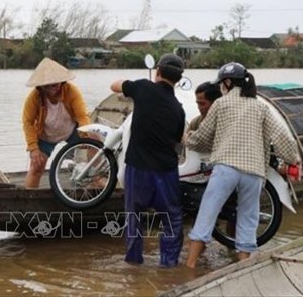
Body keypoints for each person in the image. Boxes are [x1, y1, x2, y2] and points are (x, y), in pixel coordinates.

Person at [185, 62, 300, 268]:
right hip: (254, 172)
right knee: (247, 221)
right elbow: (282, 137)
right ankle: (244, 269)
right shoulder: (261, 106)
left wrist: (189, 138)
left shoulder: (221, 104)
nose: (221, 87)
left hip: (226, 168)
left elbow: (203, 137)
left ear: (227, 83)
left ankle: (189, 267)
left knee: (206, 215)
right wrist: (294, 160)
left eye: (222, 83)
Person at [110, 53, 186, 267]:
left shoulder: (143, 88)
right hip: (166, 171)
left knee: (134, 217)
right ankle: (169, 265)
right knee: (171, 219)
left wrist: (129, 88)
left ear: (158, 72)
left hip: (139, 169)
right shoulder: (178, 109)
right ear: (178, 79)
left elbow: (114, 85)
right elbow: (178, 140)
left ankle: (133, 263)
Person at [22, 57, 90, 188]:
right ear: (41, 86)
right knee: (36, 167)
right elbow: (28, 122)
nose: (54, 87)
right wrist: (33, 148)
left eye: (56, 83)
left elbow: (82, 116)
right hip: (46, 135)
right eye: (48, 85)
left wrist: (86, 137)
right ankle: (28, 197)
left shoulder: (71, 91)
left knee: (94, 141)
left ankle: (97, 184)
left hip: (71, 131)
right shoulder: (34, 97)